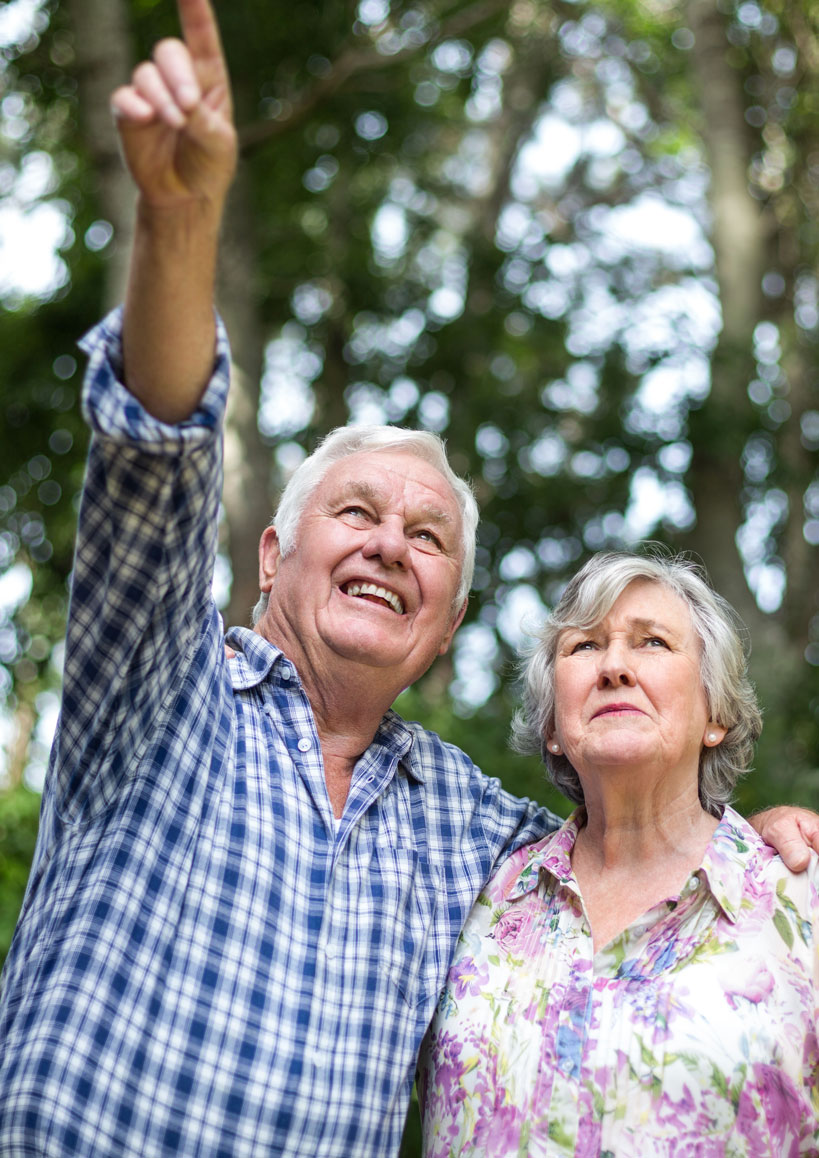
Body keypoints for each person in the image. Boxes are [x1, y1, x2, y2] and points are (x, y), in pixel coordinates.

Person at [0, 3, 815, 1155]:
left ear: (446, 630)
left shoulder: (477, 835)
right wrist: (179, 220)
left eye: (429, 537)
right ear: (272, 559)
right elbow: (155, 460)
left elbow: (636, 823)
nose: (391, 543)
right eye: (356, 513)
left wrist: (768, 833)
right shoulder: (158, 688)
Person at [419, 551, 819, 1155]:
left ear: (716, 713)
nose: (613, 668)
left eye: (652, 643)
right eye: (584, 647)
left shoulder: (802, 901)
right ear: (553, 723)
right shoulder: (477, 895)